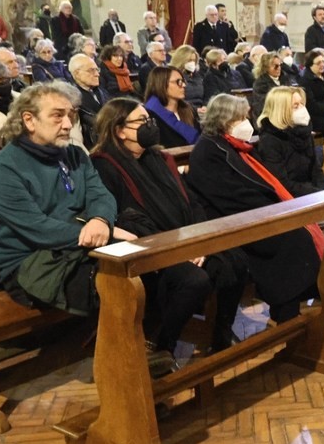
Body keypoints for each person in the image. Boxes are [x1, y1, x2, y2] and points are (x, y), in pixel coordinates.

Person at [90, 98, 246, 357]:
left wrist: (198, 239)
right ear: (119, 130)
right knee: (195, 280)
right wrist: (177, 248)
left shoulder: (159, 158)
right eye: (142, 121)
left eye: (149, 120)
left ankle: (220, 332)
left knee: (236, 260)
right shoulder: (104, 165)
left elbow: (191, 201)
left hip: (185, 238)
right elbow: (125, 219)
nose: (150, 125)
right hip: (149, 246)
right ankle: (163, 344)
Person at [0, 82, 119, 316]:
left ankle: (150, 346)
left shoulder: (75, 154)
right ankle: (117, 350)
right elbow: (38, 229)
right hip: (29, 264)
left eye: (70, 115)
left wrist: (101, 220)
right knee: (116, 286)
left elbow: (100, 194)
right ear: (29, 120)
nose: (68, 124)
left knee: (144, 264)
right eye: (57, 116)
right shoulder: (4, 169)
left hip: (79, 246)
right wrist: (100, 232)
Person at [185, 93, 322, 323]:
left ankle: (307, 295)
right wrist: (273, 210)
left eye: (244, 116)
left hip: (257, 213)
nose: (245, 123)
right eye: (239, 118)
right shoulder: (208, 151)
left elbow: (262, 183)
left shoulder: (237, 146)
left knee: (302, 231)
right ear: (223, 120)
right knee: (294, 238)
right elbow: (229, 196)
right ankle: (286, 310)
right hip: (232, 221)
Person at [254, 86, 324, 196]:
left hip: (311, 192)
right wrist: (317, 194)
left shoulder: (304, 132)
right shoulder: (270, 140)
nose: (302, 109)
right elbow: (282, 183)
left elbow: (316, 171)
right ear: (281, 110)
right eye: (296, 106)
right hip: (289, 197)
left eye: (302, 104)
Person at [142, 65, 200, 148]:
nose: (184, 85)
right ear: (161, 84)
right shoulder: (149, 115)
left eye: (183, 81)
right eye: (178, 82)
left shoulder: (190, 110)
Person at [67, 53, 108, 146]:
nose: (97, 74)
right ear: (77, 74)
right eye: (91, 70)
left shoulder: (101, 91)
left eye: (97, 70)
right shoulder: (72, 99)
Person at [299, 48, 324, 137]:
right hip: (317, 116)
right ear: (310, 65)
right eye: (318, 63)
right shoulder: (305, 80)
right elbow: (311, 104)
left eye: (323, 62)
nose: (322, 65)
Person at [251, 51, 290, 118]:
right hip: (268, 116)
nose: (278, 68)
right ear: (266, 67)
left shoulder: (285, 78)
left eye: (280, 65)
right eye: (275, 66)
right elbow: (264, 104)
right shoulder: (260, 83)